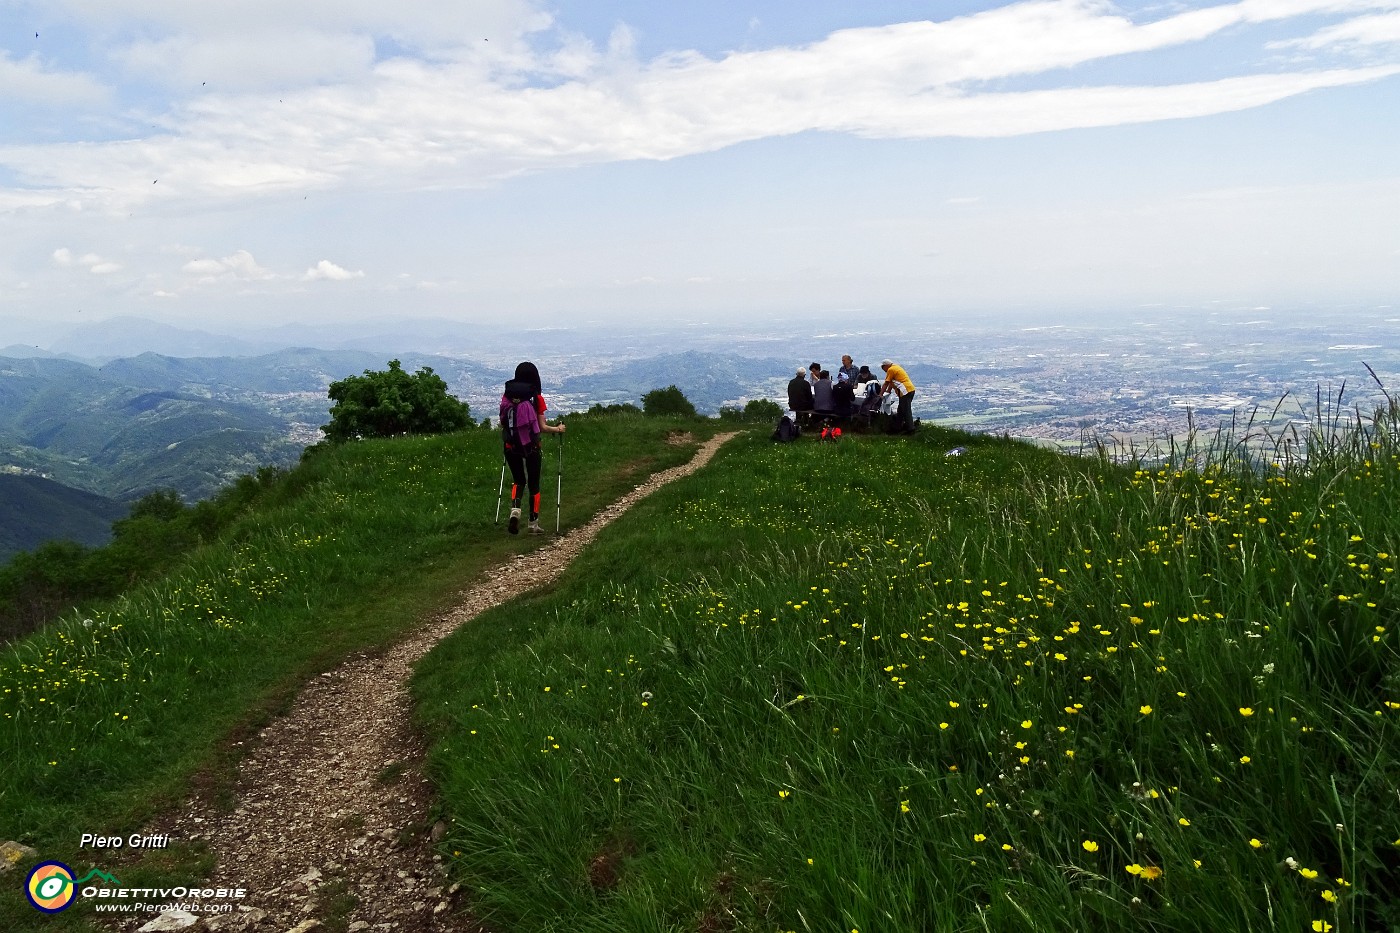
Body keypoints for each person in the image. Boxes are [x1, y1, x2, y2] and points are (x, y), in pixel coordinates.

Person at [501, 361, 566, 535]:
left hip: (510, 444)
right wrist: (558, 429)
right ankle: (533, 523)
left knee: (519, 480)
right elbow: (542, 427)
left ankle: (515, 511)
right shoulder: (536, 398)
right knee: (534, 484)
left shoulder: (507, 395)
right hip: (532, 446)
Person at [879, 359, 917, 435]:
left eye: (883, 369)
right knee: (901, 410)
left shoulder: (891, 369)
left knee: (906, 410)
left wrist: (880, 394)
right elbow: (891, 382)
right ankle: (897, 427)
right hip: (910, 390)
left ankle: (910, 429)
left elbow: (886, 383)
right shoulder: (896, 367)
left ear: (885, 366)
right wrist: (888, 391)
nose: (884, 371)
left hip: (905, 391)